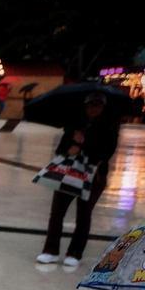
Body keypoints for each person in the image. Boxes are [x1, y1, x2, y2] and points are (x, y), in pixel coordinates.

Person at [36, 92, 120, 267]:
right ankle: (50, 250)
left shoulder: (109, 126)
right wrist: (71, 146)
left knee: (83, 214)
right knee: (57, 212)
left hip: (93, 176)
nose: (93, 108)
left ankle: (75, 253)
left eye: (97, 105)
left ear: (103, 107)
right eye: (91, 105)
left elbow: (106, 152)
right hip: (68, 174)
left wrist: (83, 144)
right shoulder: (74, 124)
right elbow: (60, 149)